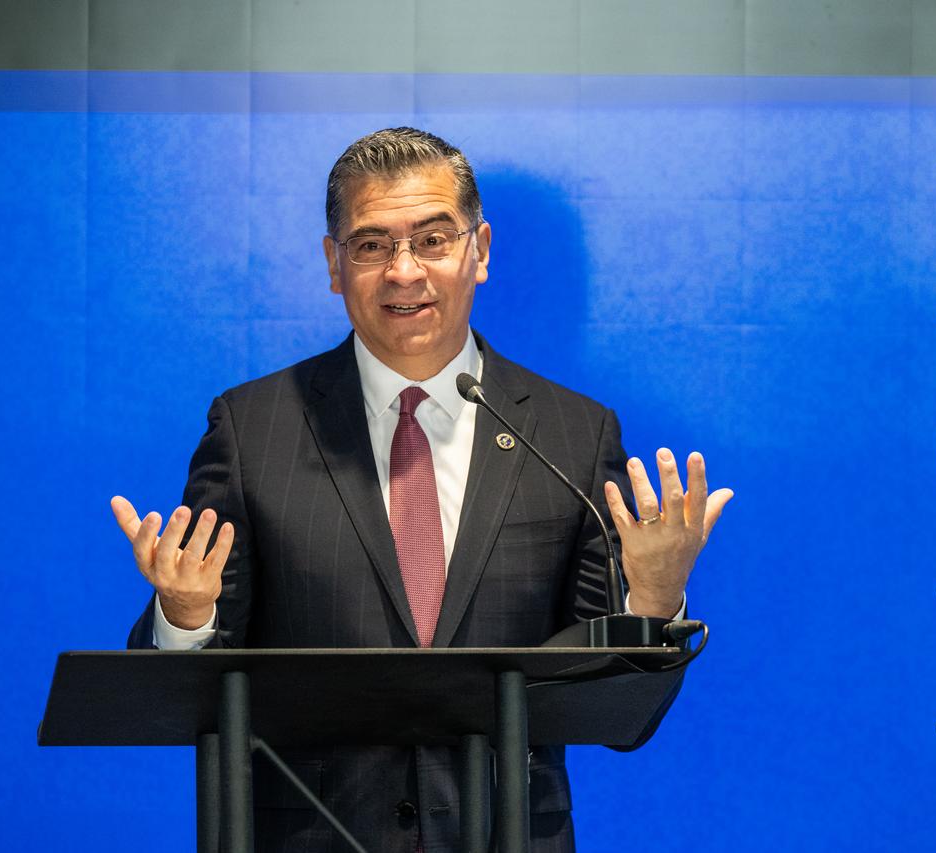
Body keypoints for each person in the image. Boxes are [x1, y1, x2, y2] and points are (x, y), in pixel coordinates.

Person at [111, 127, 732, 853]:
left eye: (434, 239)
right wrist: (185, 613)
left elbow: (618, 716)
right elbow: (183, 698)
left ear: (481, 251)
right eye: (372, 245)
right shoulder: (253, 430)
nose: (404, 272)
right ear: (334, 264)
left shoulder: (573, 434)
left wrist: (653, 600)